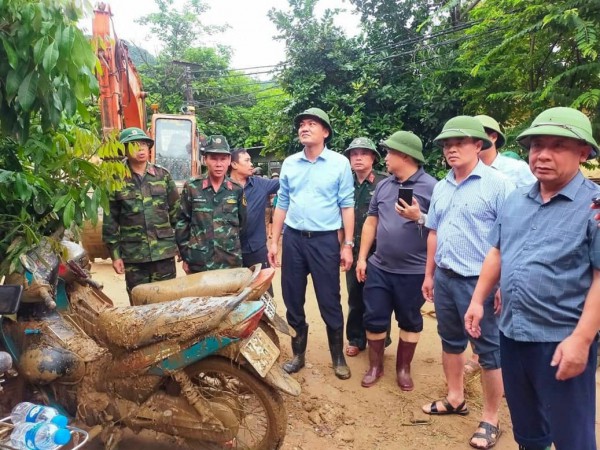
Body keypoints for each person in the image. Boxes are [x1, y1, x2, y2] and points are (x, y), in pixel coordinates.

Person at [465, 107, 600, 450]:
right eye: (537, 145)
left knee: (572, 436)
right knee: (528, 429)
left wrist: (582, 340)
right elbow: (497, 252)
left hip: (561, 341)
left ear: (584, 153)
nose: (542, 155)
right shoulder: (516, 200)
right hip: (512, 333)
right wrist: (478, 301)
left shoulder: (594, 207)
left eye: (558, 146)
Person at [420, 116, 514, 449]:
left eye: (459, 142)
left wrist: (502, 284)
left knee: (489, 351)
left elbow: (511, 240)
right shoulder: (443, 186)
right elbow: (433, 232)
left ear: (479, 145)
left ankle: (491, 418)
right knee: (450, 342)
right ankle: (455, 397)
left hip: (481, 283)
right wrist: (430, 274)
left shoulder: (499, 184)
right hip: (445, 277)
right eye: (446, 144)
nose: (451, 149)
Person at [268, 107, 355, 380]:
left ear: (325, 132)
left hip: (325, 241)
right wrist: (274, 241)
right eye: (302, 124)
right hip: (293, 240)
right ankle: (298, 354)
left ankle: (338, 356)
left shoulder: (340, 163)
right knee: (292, 298)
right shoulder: (290, 163)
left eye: (312, 124)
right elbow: (281, 203)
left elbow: (347, 206)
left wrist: (348, 244)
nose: (304, 128)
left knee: (330, 299)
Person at [356, 131, 437, 390]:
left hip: (413, 271)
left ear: (405, 155)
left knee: (410, 320)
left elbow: (441, 228)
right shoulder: (383, 185)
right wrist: (362, 258)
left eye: (390, 152)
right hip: (379, 266)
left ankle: (403, 369)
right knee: (374, 317)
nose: (386, 158)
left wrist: (419, 216)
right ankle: (375, 366)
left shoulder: (433, 187)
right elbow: (371, 222)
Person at [102, 127, 179, 298]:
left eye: (144, 144)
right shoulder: (115, 179)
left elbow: (176, 214)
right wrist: (115, 256)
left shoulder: (162, 175)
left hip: (163, 253)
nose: (141, 149)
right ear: (124, 150)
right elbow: (110, 221)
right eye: (134, 145)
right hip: (134, 255)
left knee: (167, 302)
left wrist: (181, 247)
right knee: (139, 302)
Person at [342, 137, 387, 357]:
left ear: (373, 158)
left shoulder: (384, 183)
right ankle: (355, 338)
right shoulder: (344, 182)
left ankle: (381, 338)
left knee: (379, 296)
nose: (358, 157)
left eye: (363, 153)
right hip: (352, 248)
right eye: (354, 154)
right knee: (355, 295)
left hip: (379, 251)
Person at [175, 135, 246, 274]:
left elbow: (242, 223)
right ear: (205, 159)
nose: (218, 164)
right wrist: (186, 256)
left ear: (229, 160)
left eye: (223, 159)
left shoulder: (237, 189)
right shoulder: (192, 187)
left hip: (230, 260)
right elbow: (182, 223)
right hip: (199, 261)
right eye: (213, 158)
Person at [229, 148, 279, 288]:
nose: (251, 164)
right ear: (234, 164)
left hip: (256, 250)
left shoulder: (260, 184)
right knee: (233, 293)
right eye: (247, 160)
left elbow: (286, 182)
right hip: (230, 251)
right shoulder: (223, 187)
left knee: (263, 292)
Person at [475, 114, 536, 188]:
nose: (471, 143)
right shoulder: (463, 171)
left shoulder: (517, 169)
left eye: (476, 137)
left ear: (493, 137)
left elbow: (535, 196)